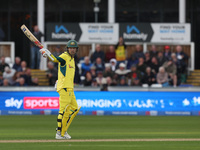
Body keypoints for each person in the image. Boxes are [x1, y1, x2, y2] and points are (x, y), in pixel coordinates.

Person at [40, 40, 81, 139]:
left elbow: (63, 71)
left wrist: (59, 80)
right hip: (64, 88)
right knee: (62, 110)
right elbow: (56, 59)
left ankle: (63, 130)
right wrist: (48, 54)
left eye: (74, 48)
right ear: (67, 49)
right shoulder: (64, 56)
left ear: (76, 50)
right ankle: (59, 133)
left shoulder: (72, 59)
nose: (72, 50)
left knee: (74, 108)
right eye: (70, 48)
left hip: (70, 88)